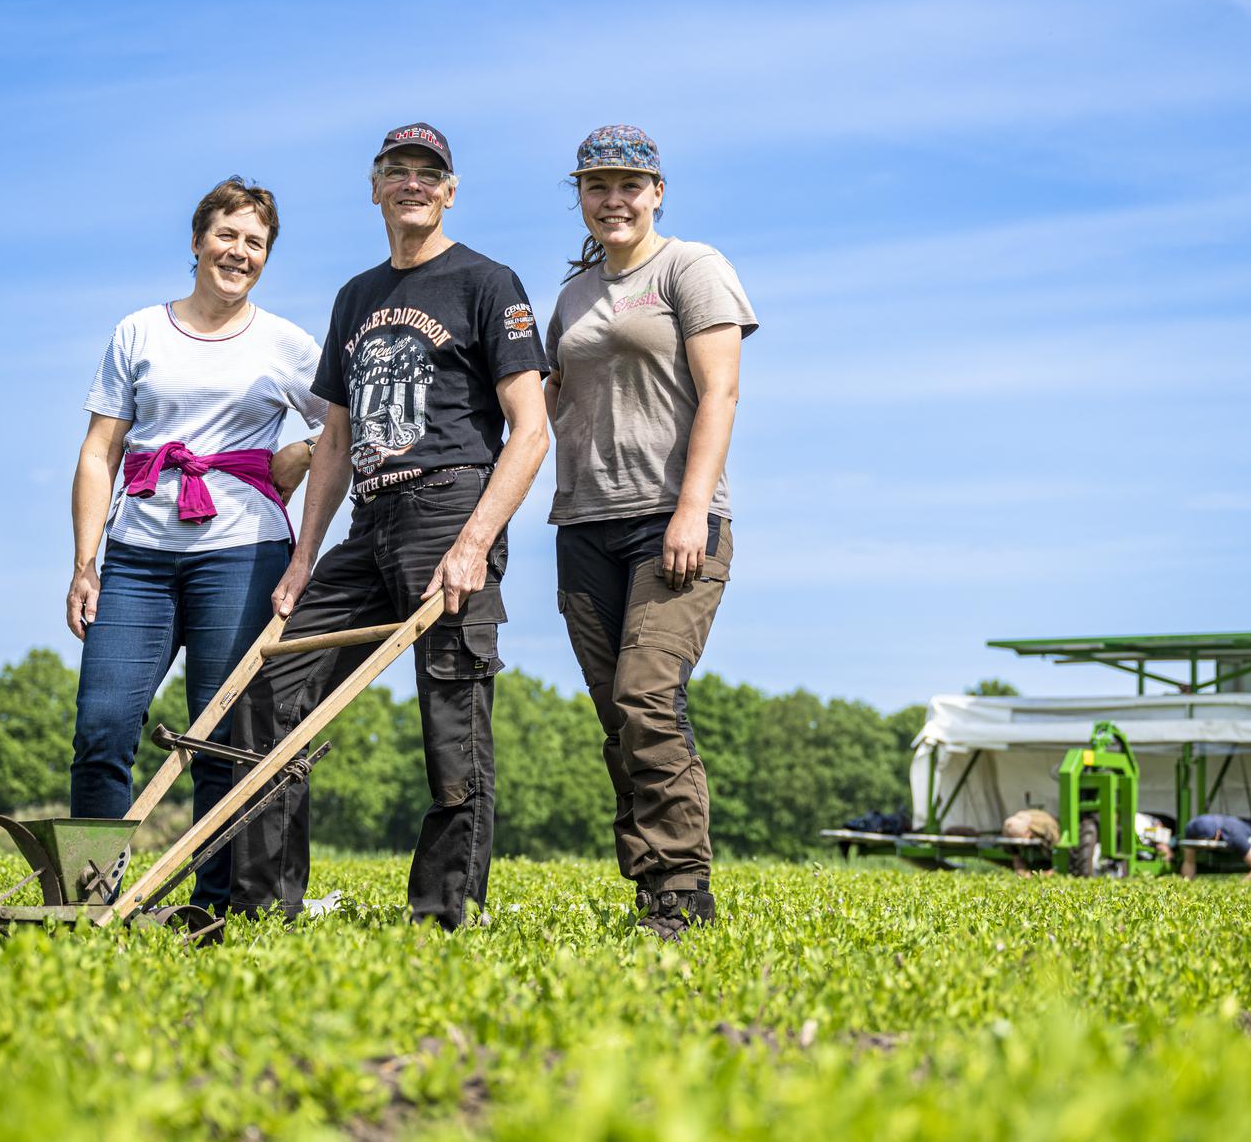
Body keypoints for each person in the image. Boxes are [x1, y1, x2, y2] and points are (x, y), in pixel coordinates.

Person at [231, 123, 548, 929]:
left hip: (450, 509)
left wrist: (474, 541)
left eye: (428, 173)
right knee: (272, 691)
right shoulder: (356, 296)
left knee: (451, 713)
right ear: (374, 186)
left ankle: (444, 913)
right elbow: (334, 439)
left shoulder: (487, 281)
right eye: (396, 170)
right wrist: (305, 556)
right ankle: (266, 904)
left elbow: (531, 428)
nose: (412, 183)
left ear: (450, 190)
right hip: (367, 523)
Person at [66, 177, 325, 915]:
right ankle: (90, 900)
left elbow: (338, 423)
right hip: (139, 556)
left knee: (218, 733)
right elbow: (97, 454)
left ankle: (212, 910)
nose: (238, 252)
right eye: (227, 235)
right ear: (196, 240)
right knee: (103, 725)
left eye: (255, 243)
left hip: (241, 555)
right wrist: (86, 564)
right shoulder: (139, 332)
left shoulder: (286, 343)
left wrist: (296, 457)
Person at [542, 125, 757, 939]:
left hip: (674, 524)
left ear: (657, 190)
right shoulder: (571, 293)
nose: (614, 199)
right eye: (597, 185)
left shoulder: (691, 267)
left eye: (630, 184)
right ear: (582, 196)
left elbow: (721, 394)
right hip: (584, 524)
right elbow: (544, 403)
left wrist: (692, 507)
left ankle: (682, 893)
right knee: (619, 717)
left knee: (648, 697)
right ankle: (650, 888)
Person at [1178, 812, 1251, 879]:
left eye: (1206, 843)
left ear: (1217, 835)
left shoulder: (1235, 835)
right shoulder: (1191, 828)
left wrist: (1239, 888)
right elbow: (1189, 862)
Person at [1000, 808, 1059, 876]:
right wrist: (1020, 869)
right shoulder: (1012, 824)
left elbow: (1056, 849)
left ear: (1028, 833)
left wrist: (1049, 872)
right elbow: (1015, 854)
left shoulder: (1047, 827)